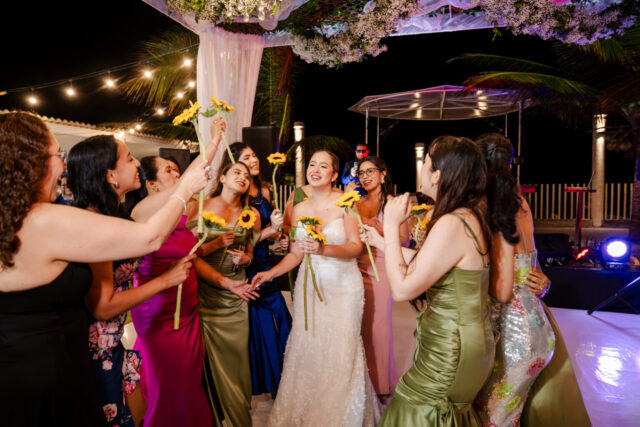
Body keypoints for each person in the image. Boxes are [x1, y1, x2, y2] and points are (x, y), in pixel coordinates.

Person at [0, 111, 211, 426]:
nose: (63, 165)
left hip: (37, 367)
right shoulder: (42, 219)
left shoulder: (17, 218)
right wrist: (185, 188)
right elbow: (150, 237)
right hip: (44, 376)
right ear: (30, 162)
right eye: (57, 155)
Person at [364, 136, 498, 426]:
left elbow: (402, 289)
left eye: (425, 163)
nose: (422, 169)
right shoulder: (468, 215)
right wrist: (382, 242)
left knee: (413, 409)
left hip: (451, 346)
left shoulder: (452, 223)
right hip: (465, 338)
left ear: (437, 175)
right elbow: (430, 263)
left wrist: (391, 225)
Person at [252, 150, 380, 426]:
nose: (315, 170)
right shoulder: (299, 208)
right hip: (309, 287)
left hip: (343, 287)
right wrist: (270, 273)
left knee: (341, 349)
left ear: (334, 175)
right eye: (312, 164)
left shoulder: (347, 203)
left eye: (323, 166)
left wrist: (323, 249)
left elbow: (355, 247)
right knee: (309, 347)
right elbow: (296, 254)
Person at [130, 145, 253, 427]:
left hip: (187, 310)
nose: (178, 175)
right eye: (169, 171)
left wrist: (215, 140)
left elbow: (192, 255)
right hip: (160, 309)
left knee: (188, 380)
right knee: (169, 383)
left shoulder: (180, 213)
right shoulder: (143, 210)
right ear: (152, 185)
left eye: (177, 170)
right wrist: (213, 144)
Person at [473, 133, 589, 426]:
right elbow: (530, 264)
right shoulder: (520, 202)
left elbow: (501, 289)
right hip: (536, 326)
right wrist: (543, 283)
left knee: (493, 416)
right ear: (510, 165)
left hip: (513, 334)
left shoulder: (488, 208)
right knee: (508, 414)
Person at [186, 160, 261, 427]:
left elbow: (251, 250)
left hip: (236, 295)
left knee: (236, 361)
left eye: (247, 175)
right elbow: (188, 253)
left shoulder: (251, 213)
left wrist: (246, 259)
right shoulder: (200, 206)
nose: (243, 177)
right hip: (203, 292)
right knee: (203, 362)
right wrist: (216, 243)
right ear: (222, 178)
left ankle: (239, 418)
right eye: (236, 172)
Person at [226, 142, 292, 396]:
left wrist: (280, 237)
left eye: (254, 155)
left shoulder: (264, 190)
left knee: (279, 319)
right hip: (246, 264)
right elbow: (243, 237)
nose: (253, 160)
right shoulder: (236, 195)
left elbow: (270, 229)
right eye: (246, 157)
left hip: (265, 261)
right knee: (258, 324)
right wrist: (269, 231)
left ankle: (283, 379)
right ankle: (264, 380)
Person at [355, 157, 406, 400]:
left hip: (382, 268)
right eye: (361, 172)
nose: (365, 176)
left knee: (378, 327)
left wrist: (380, 229)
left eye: (370, 171)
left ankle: (380, 384)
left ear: (383, 174)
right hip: (357, 265)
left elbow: (404, 239)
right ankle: (362, 382)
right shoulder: (356, 203)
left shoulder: (393, 203)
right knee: (360, 326)